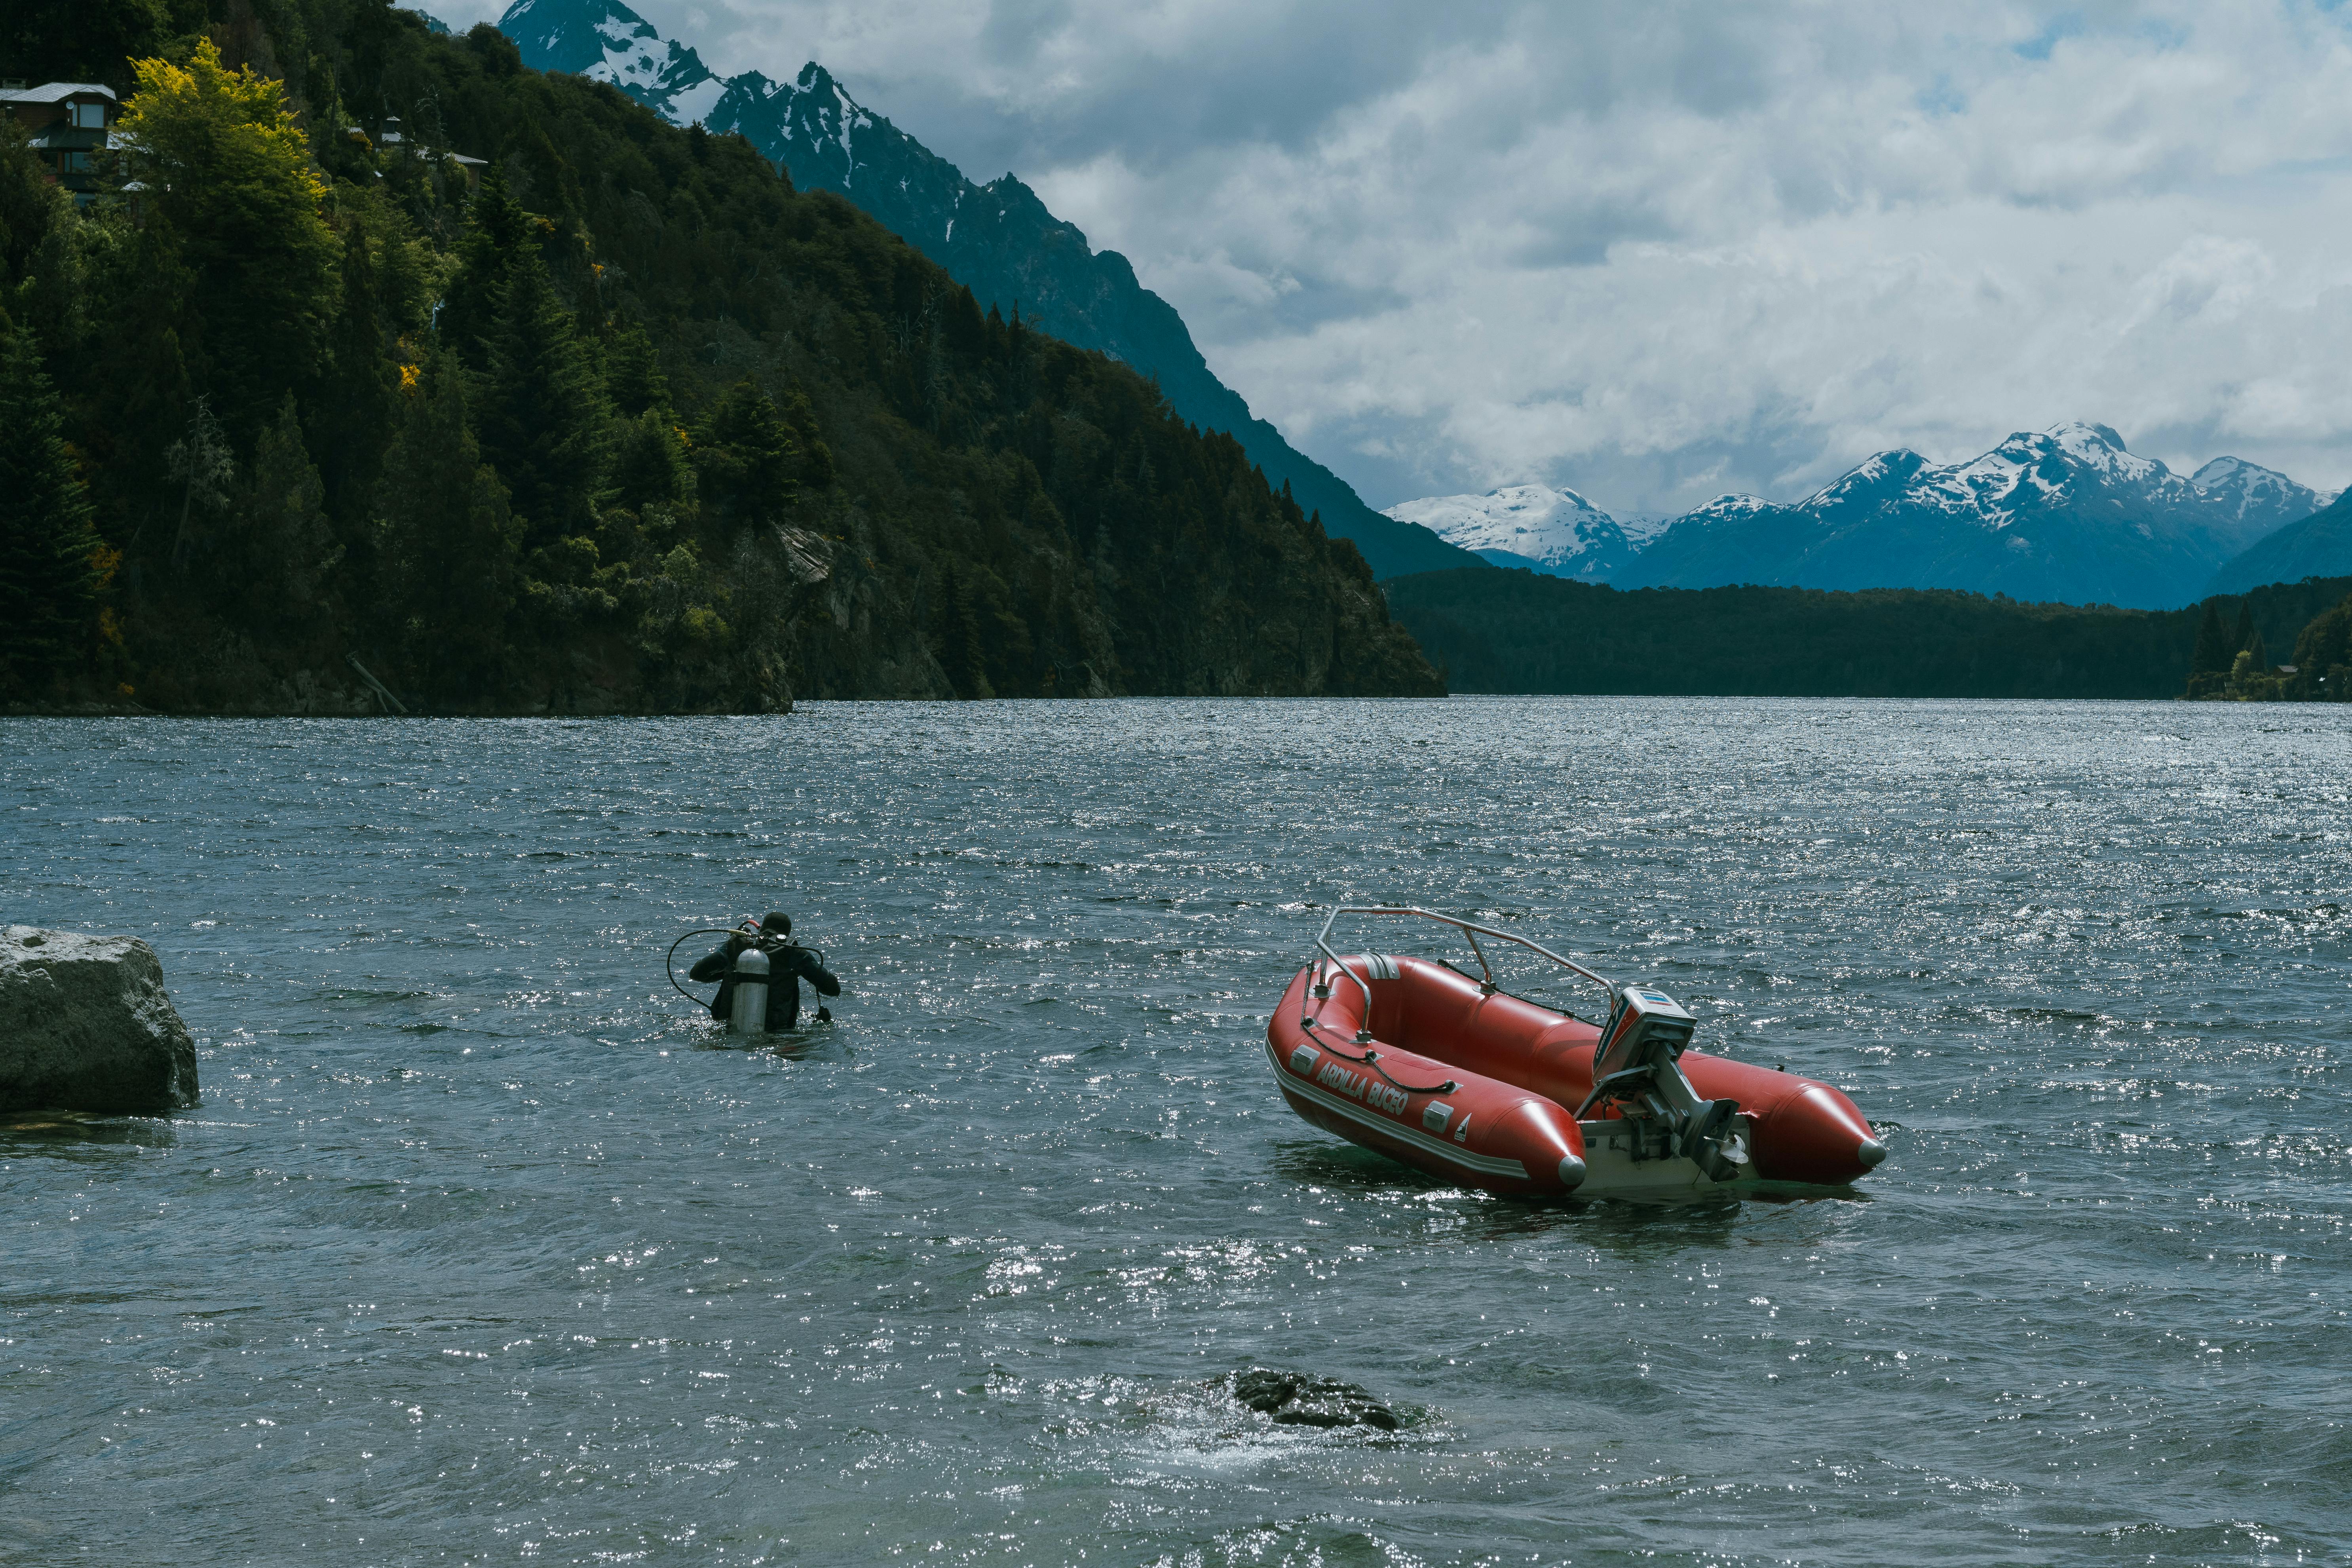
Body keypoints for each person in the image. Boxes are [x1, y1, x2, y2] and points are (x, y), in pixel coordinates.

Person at [690, 911, 842, 1030]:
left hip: (730, 1026)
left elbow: (697, 973)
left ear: (762, 928)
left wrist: (730, 970)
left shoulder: (736, 944)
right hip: (778, 1031)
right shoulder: (791, 950)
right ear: (786, 933)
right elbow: (833, 989)